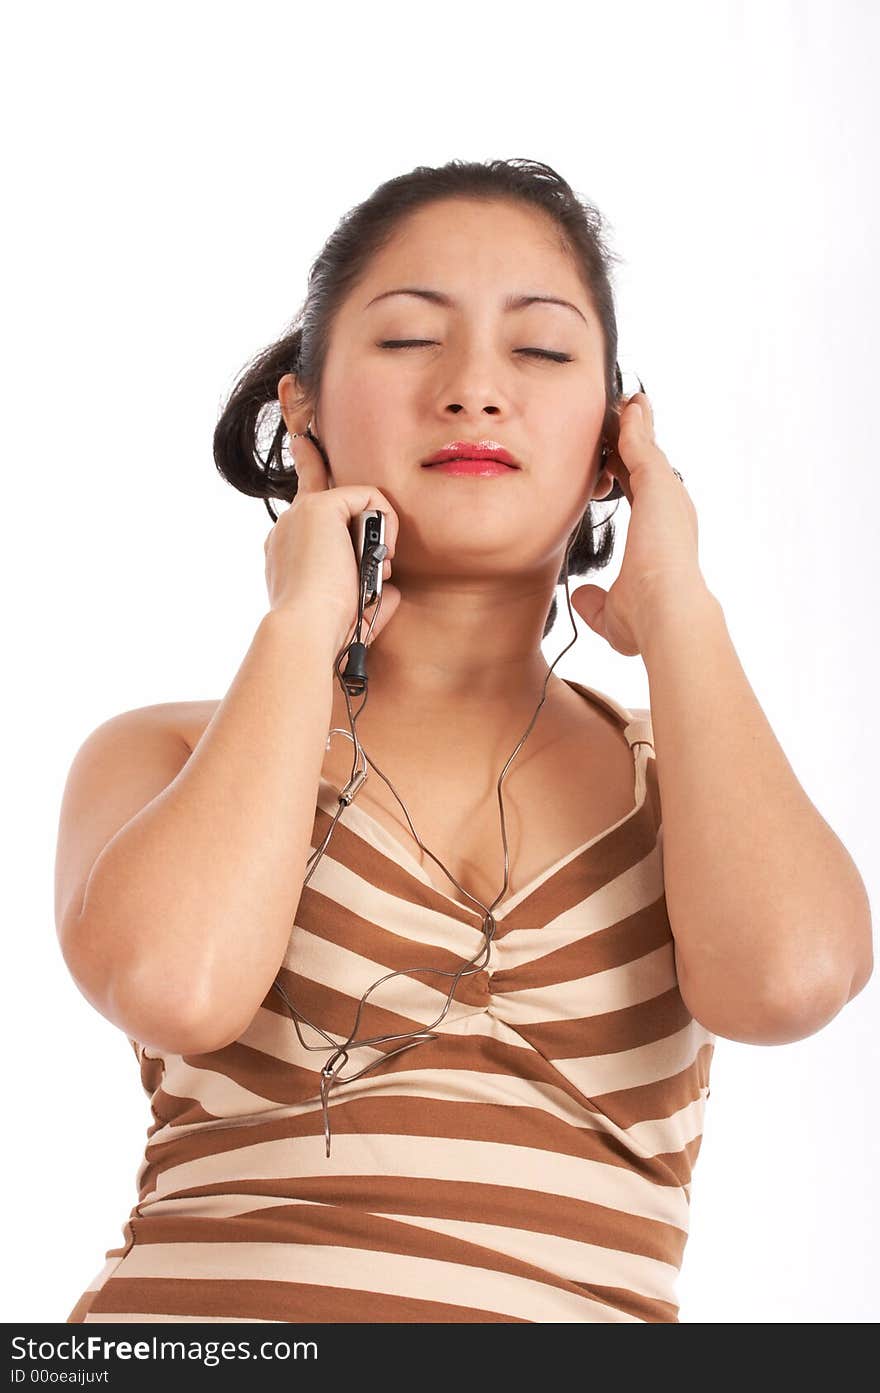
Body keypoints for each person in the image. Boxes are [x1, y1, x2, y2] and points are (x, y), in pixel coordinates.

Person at [57, 157, 872, 1324]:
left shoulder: (686, 775)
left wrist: (680, 603)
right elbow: (175, 986)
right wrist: (300, 618)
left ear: (613, 443)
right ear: (306, 415)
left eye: (541, 352)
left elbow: (789, 983)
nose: (476, 389)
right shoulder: (168, 753)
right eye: (406, 342)